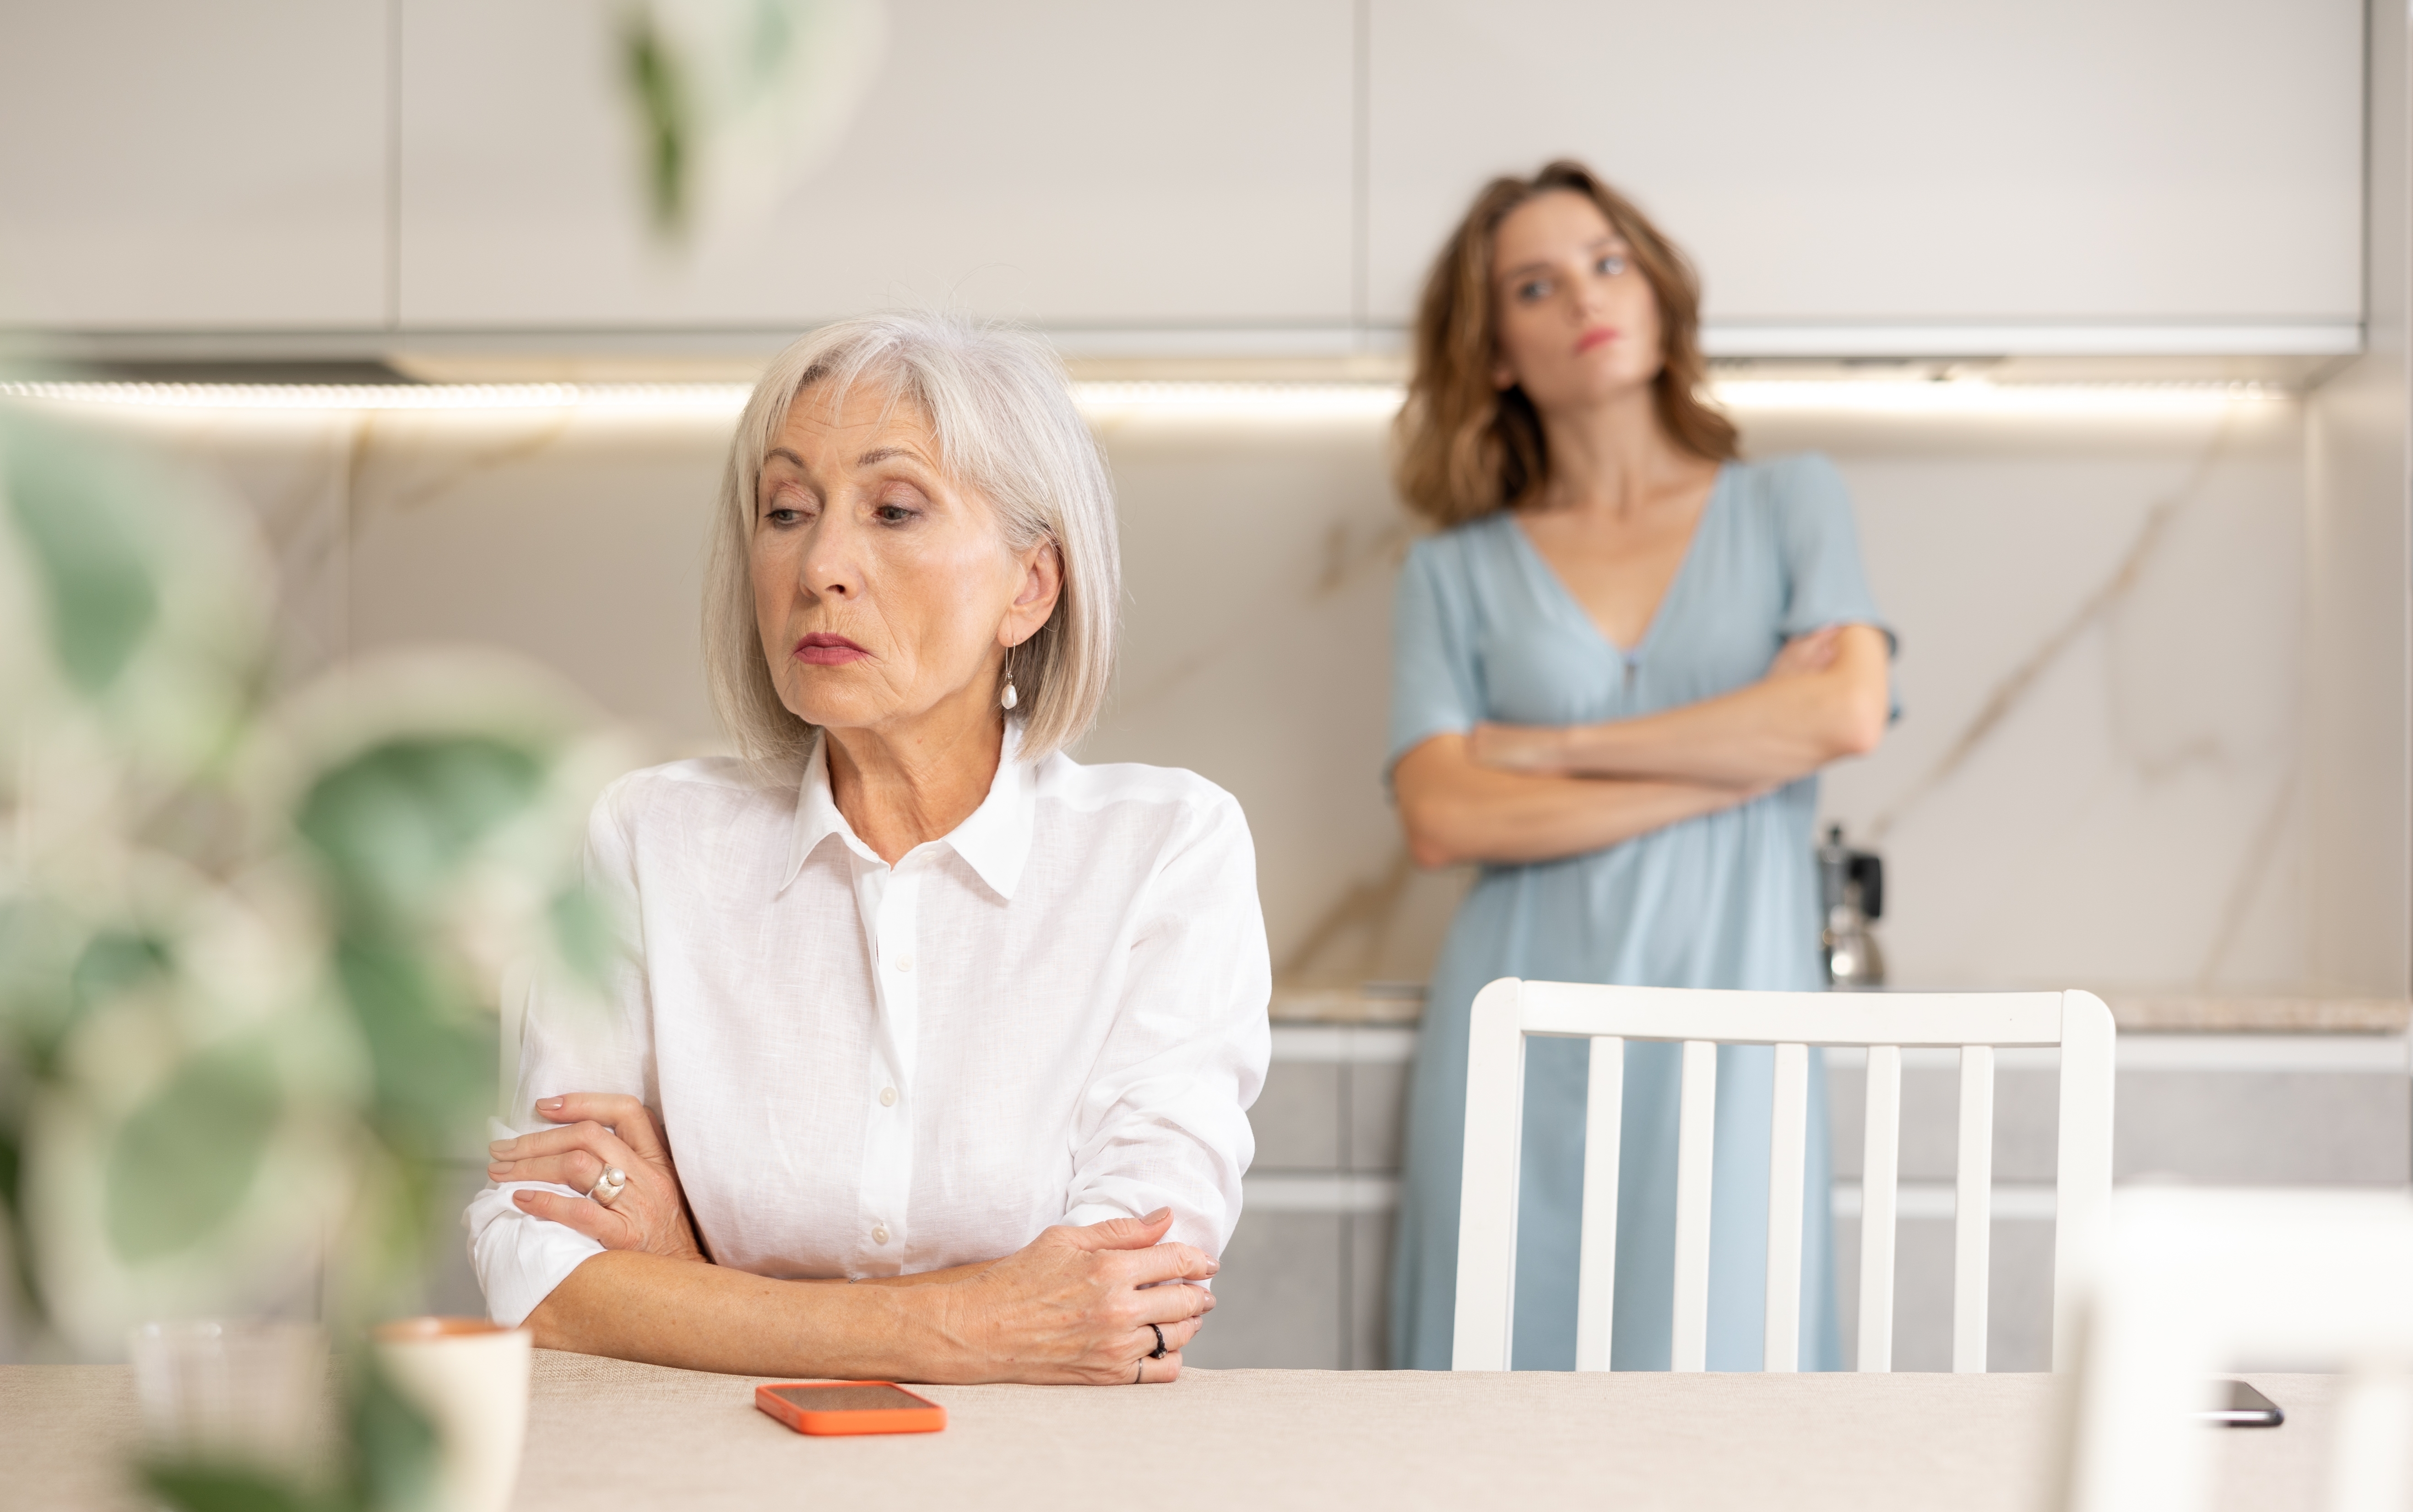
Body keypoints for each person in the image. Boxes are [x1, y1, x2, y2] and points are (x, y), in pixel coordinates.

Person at [467, 312, 1271, 1385]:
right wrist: (974, 1324)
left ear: (1029, 586)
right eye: (786, 511)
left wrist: (684, 1272)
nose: (819, 566)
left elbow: (1127, 1296)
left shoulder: (1168, 849)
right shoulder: (644, 837)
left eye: (893, 510)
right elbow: (539, 1268)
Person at [1385, 161, 1893, 1371]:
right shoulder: (1449, 572)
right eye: (1536, 284)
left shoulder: (1792, 504)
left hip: (1737, 1020)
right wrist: (1740, 750)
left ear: (1660, 297)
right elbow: (1442, 813)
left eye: (1609, 263)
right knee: (1493, 1411)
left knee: (1731, 1404)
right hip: (1516, 1029)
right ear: (1496, 345)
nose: (1584, 299)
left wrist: (1554, 749)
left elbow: (1845, 714)